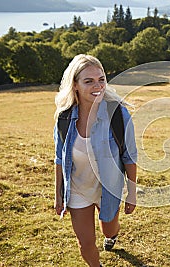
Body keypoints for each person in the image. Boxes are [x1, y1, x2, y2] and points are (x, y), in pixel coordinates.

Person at [53, 54, 138, 267]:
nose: (97, 85)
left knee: (109, 228)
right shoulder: (64, 119)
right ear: (75, 86)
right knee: (85, 242)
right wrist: (58, 195)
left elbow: (129, 157)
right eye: (89, 81)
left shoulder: (118, 115)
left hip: (109, 187)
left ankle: (112, 235)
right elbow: (59, 158)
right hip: (78, 189)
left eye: (101, 79)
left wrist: (133, 193)